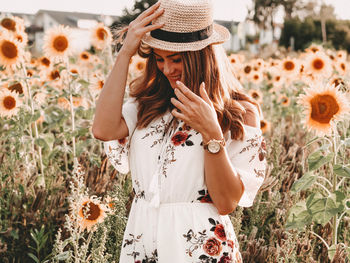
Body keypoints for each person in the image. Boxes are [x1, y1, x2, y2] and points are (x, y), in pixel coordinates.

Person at [92, 0, 267, 262]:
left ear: (202, 55)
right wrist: (125, 52)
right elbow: (102, 130)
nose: (167, 69)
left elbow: (225, 202)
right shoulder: (148, 104)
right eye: (159, 59)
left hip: (200, 247)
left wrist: (211, 133)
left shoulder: (238, 114)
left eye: (176, 59)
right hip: (142, 239)